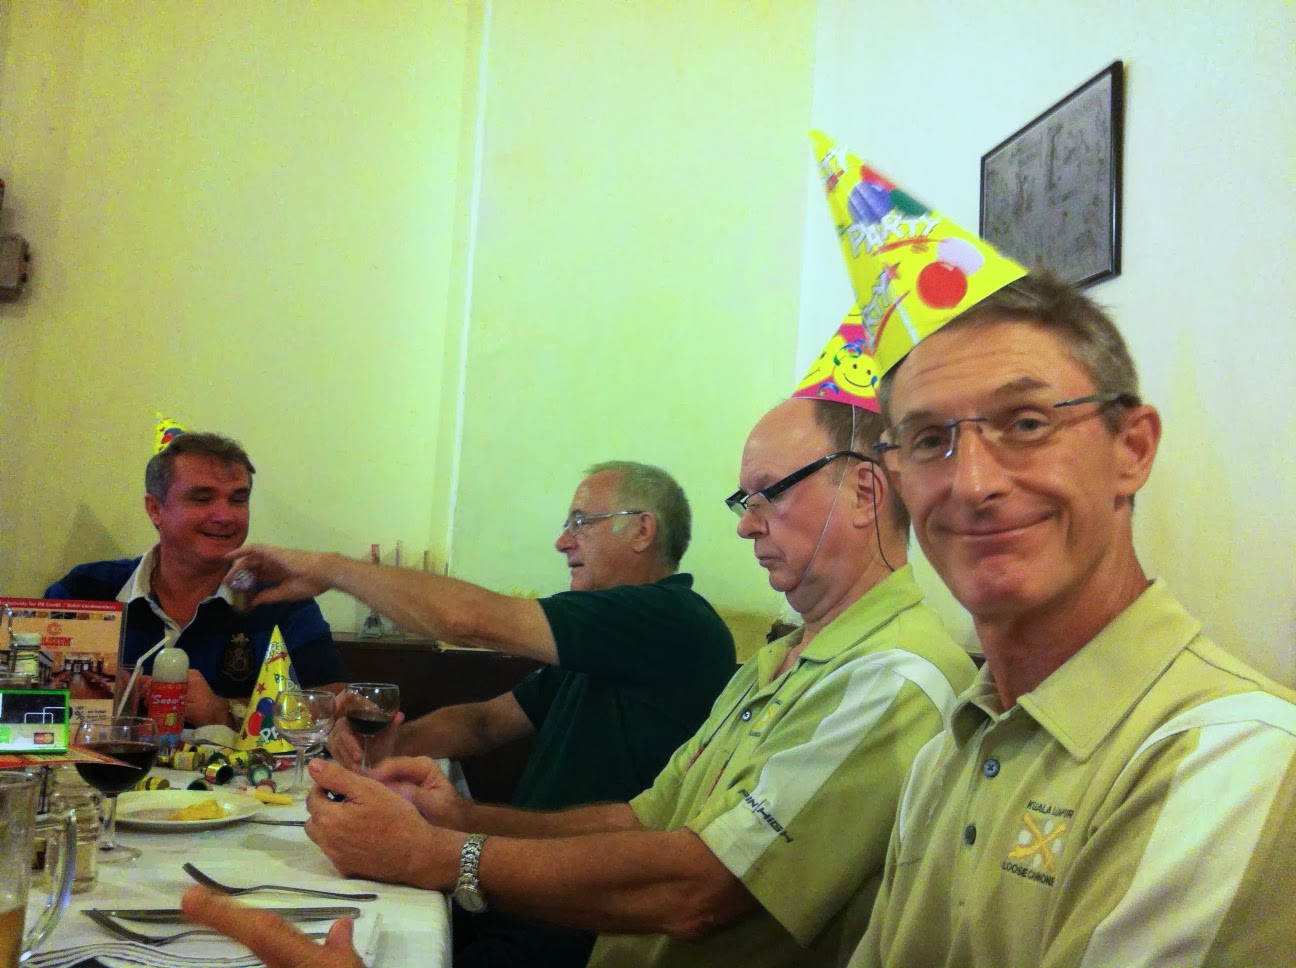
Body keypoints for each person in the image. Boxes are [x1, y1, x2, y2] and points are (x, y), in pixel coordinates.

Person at [230, 397, 974, 968]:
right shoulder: (776, 662)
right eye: (742, 501)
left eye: (767, 493)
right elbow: (640, 820)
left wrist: (440, 853)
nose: (746, 526)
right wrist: (452, 816)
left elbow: (697, 891)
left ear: (867, 493)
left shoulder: (889, 675)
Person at [849, 271, 1296, 967]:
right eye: (930, 440)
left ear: (1132, 450)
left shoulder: (1231, 759)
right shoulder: (943, 759)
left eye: (1026, 424)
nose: (973, 483)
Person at [231, 460, 738, 965]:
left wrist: (328, 569)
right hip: (517, 891)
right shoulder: (608, 638)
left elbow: (466, 620)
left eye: (581, 522)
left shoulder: (671, 617)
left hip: (585, 922)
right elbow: (484, 723)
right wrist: (392, 742)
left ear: (643, 530)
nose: (563, 541)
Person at [46, 431, 346, 727]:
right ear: (155, 509)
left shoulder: (280, 598)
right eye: (202, 499)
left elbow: (332, 701)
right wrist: (98, 699)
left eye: (237, 500)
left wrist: (227, 711)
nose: (225, 516)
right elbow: (29, 697)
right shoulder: (83, 590)